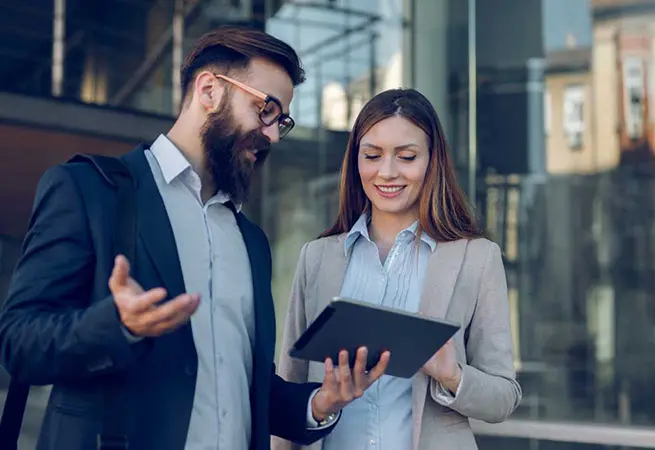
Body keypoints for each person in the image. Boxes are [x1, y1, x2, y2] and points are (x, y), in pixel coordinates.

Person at [0, 27, 388, 450]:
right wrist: (116, 325)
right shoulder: (90, 192)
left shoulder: (250, 241)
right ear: (209, 90)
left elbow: (246, 386)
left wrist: (320, 402)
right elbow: (19, 343)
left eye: (282, 121)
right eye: (266, 110)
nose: (273, 135)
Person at [274, 89, 522, 450]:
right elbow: (290, 389)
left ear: (432, 160)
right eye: (372, 156)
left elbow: (503, 397)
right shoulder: (317, 258)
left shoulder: (476, 258)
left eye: (406, 157)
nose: (387, 172)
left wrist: (452, 376)